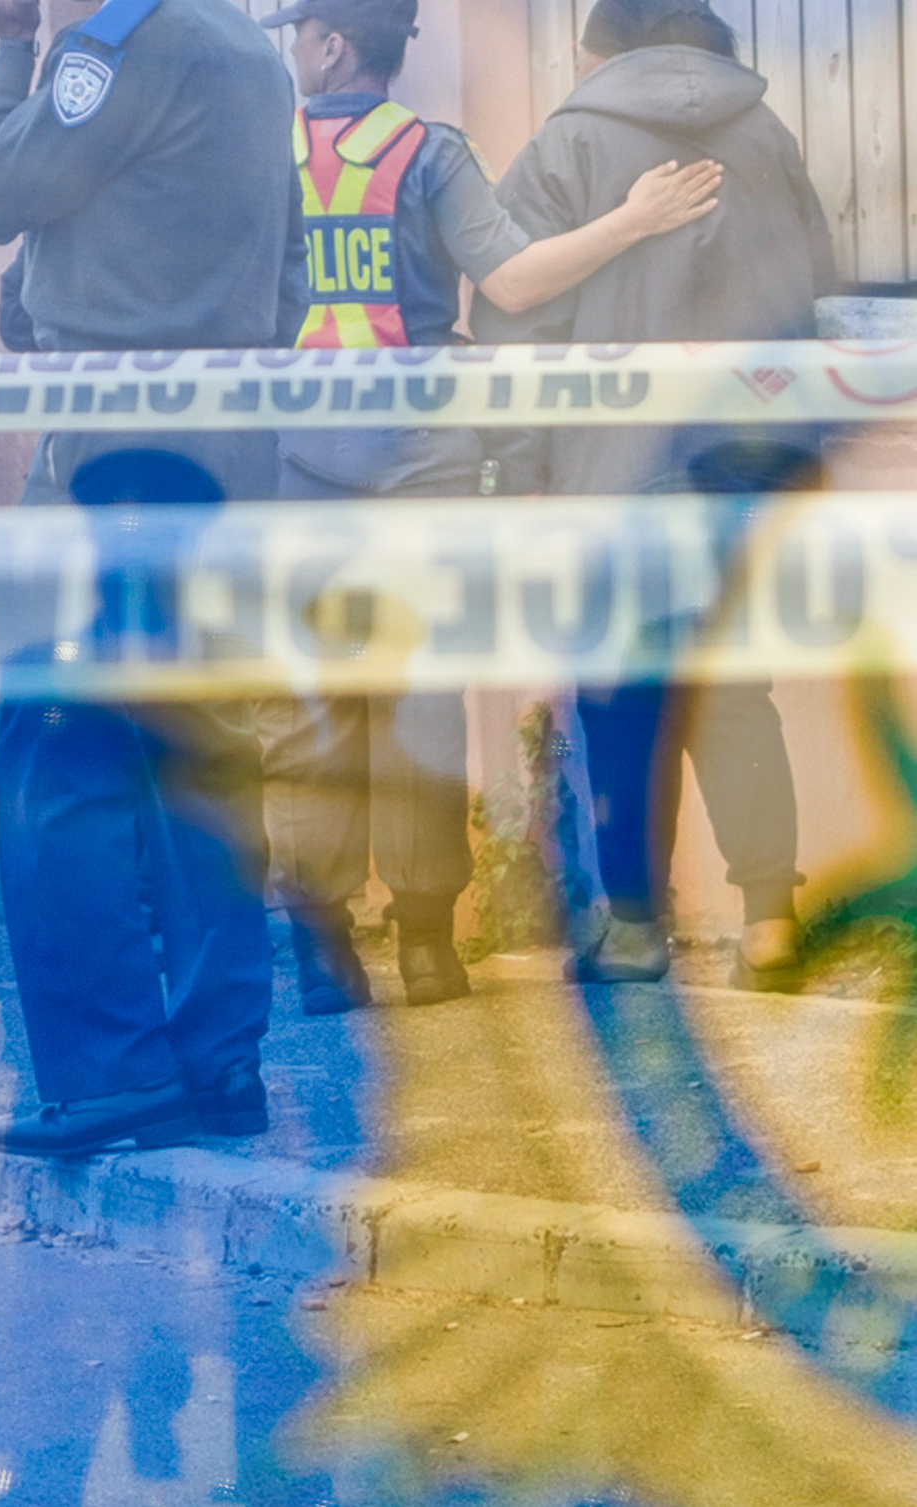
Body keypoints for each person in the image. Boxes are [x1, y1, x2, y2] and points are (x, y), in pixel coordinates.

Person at [254, 0, 724, 1015]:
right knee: (419, 699)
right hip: (422, 461)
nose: (290, 45)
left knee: (312, 708)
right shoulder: (429, 153)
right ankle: (426, 948)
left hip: (297, 467)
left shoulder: (260, 153)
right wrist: (631, 221)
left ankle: (322, 951)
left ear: (331, 43)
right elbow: (510, 277)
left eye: (296, 29)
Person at [0, 0, 306, 1157]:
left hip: (106, 454)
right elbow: (287, 276)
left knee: (57, 750)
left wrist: (12, 49)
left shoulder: (115, 42)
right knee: (200, 758)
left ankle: (109, 1075)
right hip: (226, 452)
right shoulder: (252, 49)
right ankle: (219, 1065)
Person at [474, 0, 833, 991]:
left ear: (603, 45)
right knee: (732, 687)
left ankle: (634, 930)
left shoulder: (563, 146)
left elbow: (512, 325)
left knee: (620, 697)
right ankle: (770, 925)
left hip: (609, 466)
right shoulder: (764, 134)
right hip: (744, 461)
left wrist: (518, 471)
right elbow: (812, 292)